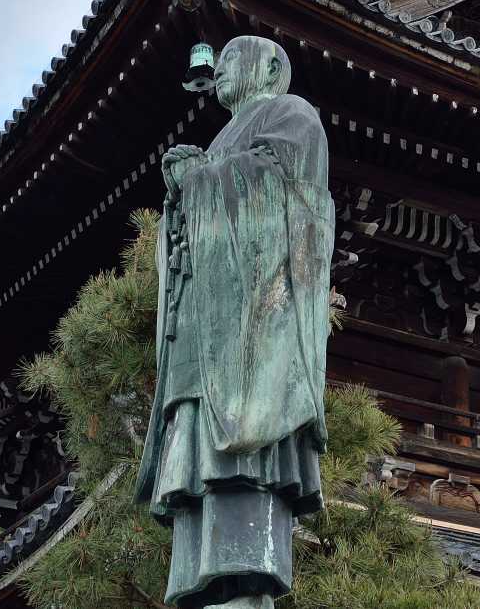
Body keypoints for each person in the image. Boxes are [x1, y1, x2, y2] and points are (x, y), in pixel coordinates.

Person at [136, 35, 334, 609]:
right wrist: (185, 191)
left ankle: (246, 591)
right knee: (201, 485)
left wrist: (200, 179)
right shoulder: (227, 134)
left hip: (253, 356)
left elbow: (284, 192)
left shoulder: (292, 116)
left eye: (231, 59)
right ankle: (211, 590)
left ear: (270, 66)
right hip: (207, 344)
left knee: (247, 479)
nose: (219, 69)